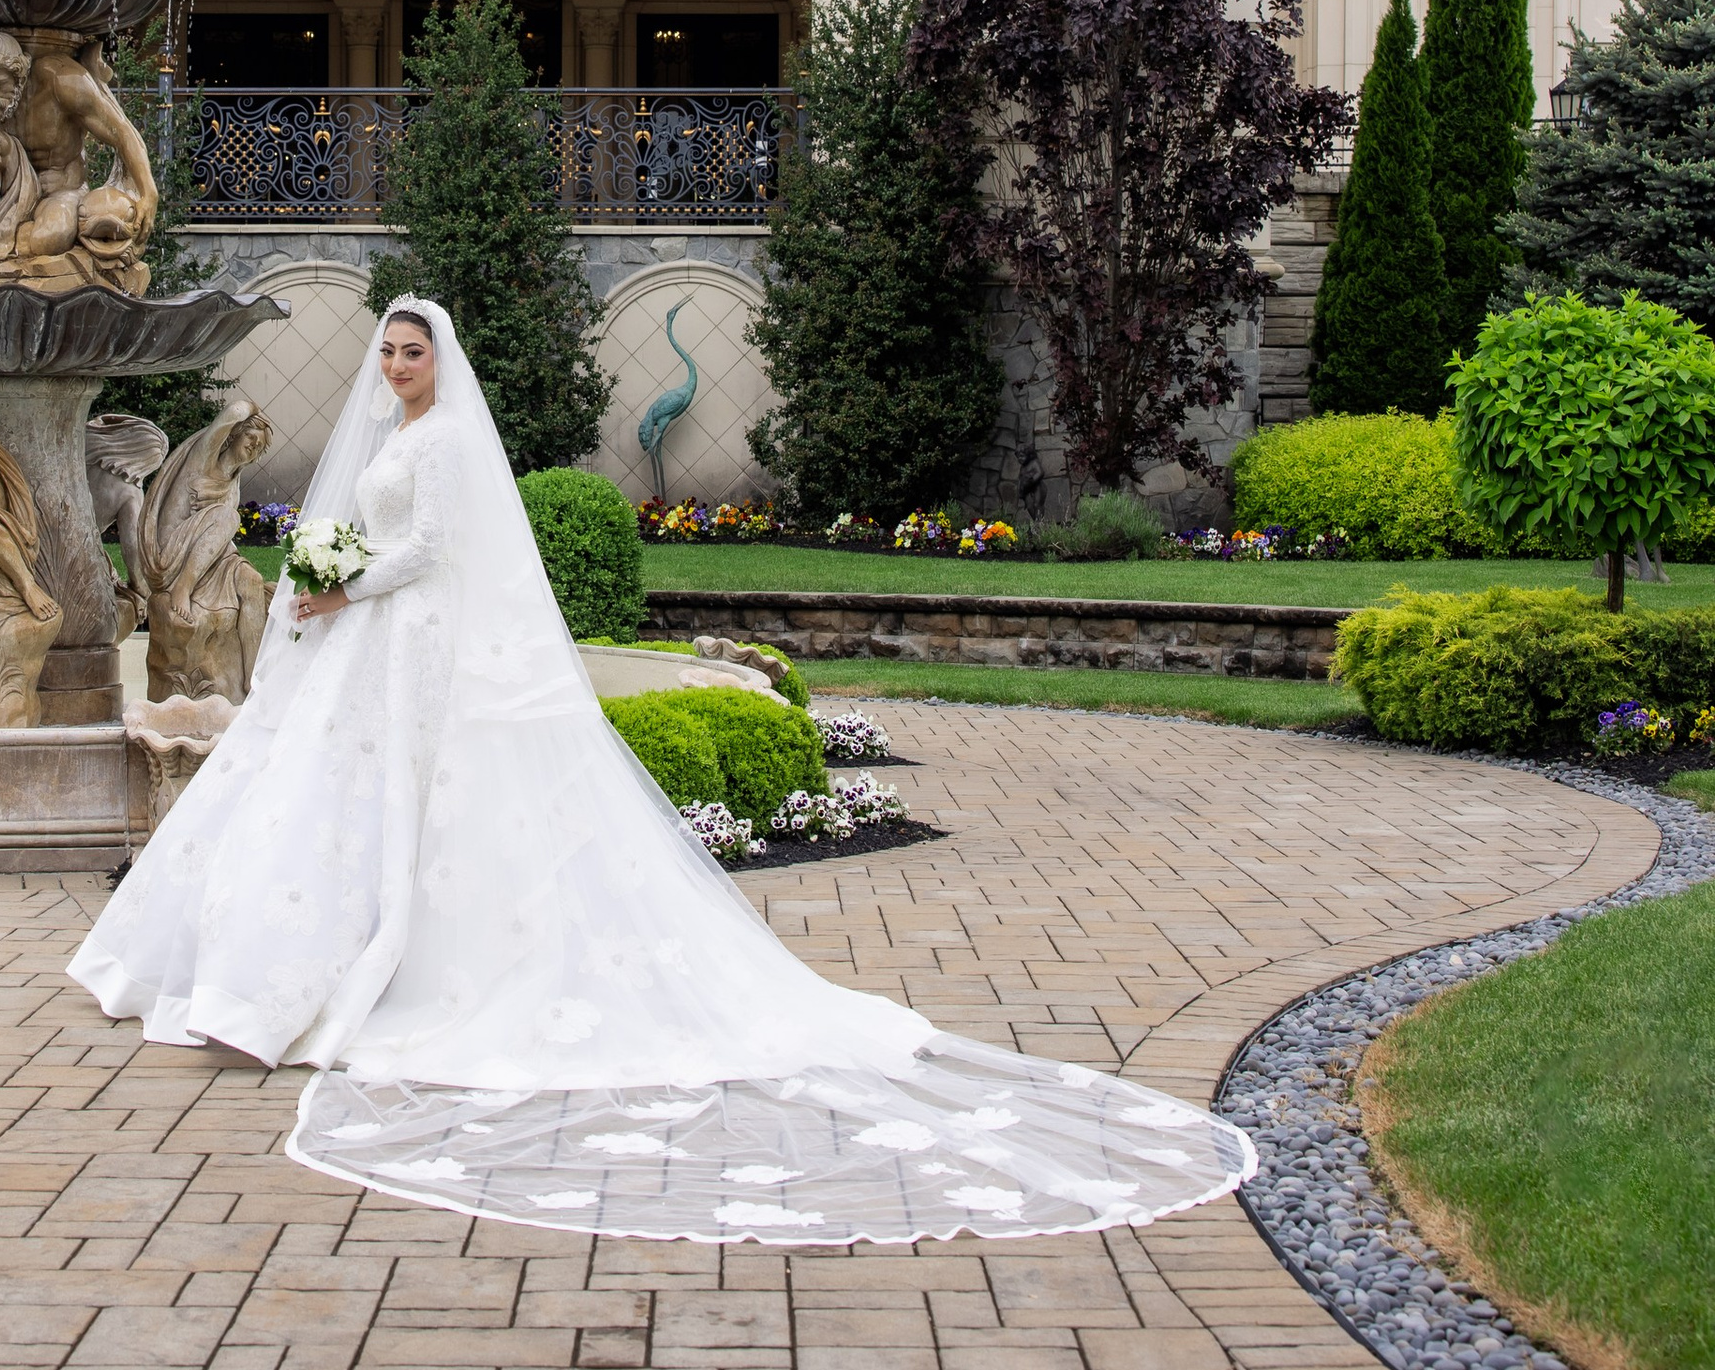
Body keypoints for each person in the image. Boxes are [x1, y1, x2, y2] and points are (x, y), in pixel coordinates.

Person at [68, 297, 1257, 1250]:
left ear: (443, 363)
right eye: (386, 347)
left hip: (411, 632)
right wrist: (333, 582)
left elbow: (429, 550)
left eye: (413, 349)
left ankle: (369, 970)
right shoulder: (388, 434)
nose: (395, 363)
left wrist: (344, 584)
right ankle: (274, 963)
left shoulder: (439, 445)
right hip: (376, 639)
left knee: (424, 801)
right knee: (334, 792)